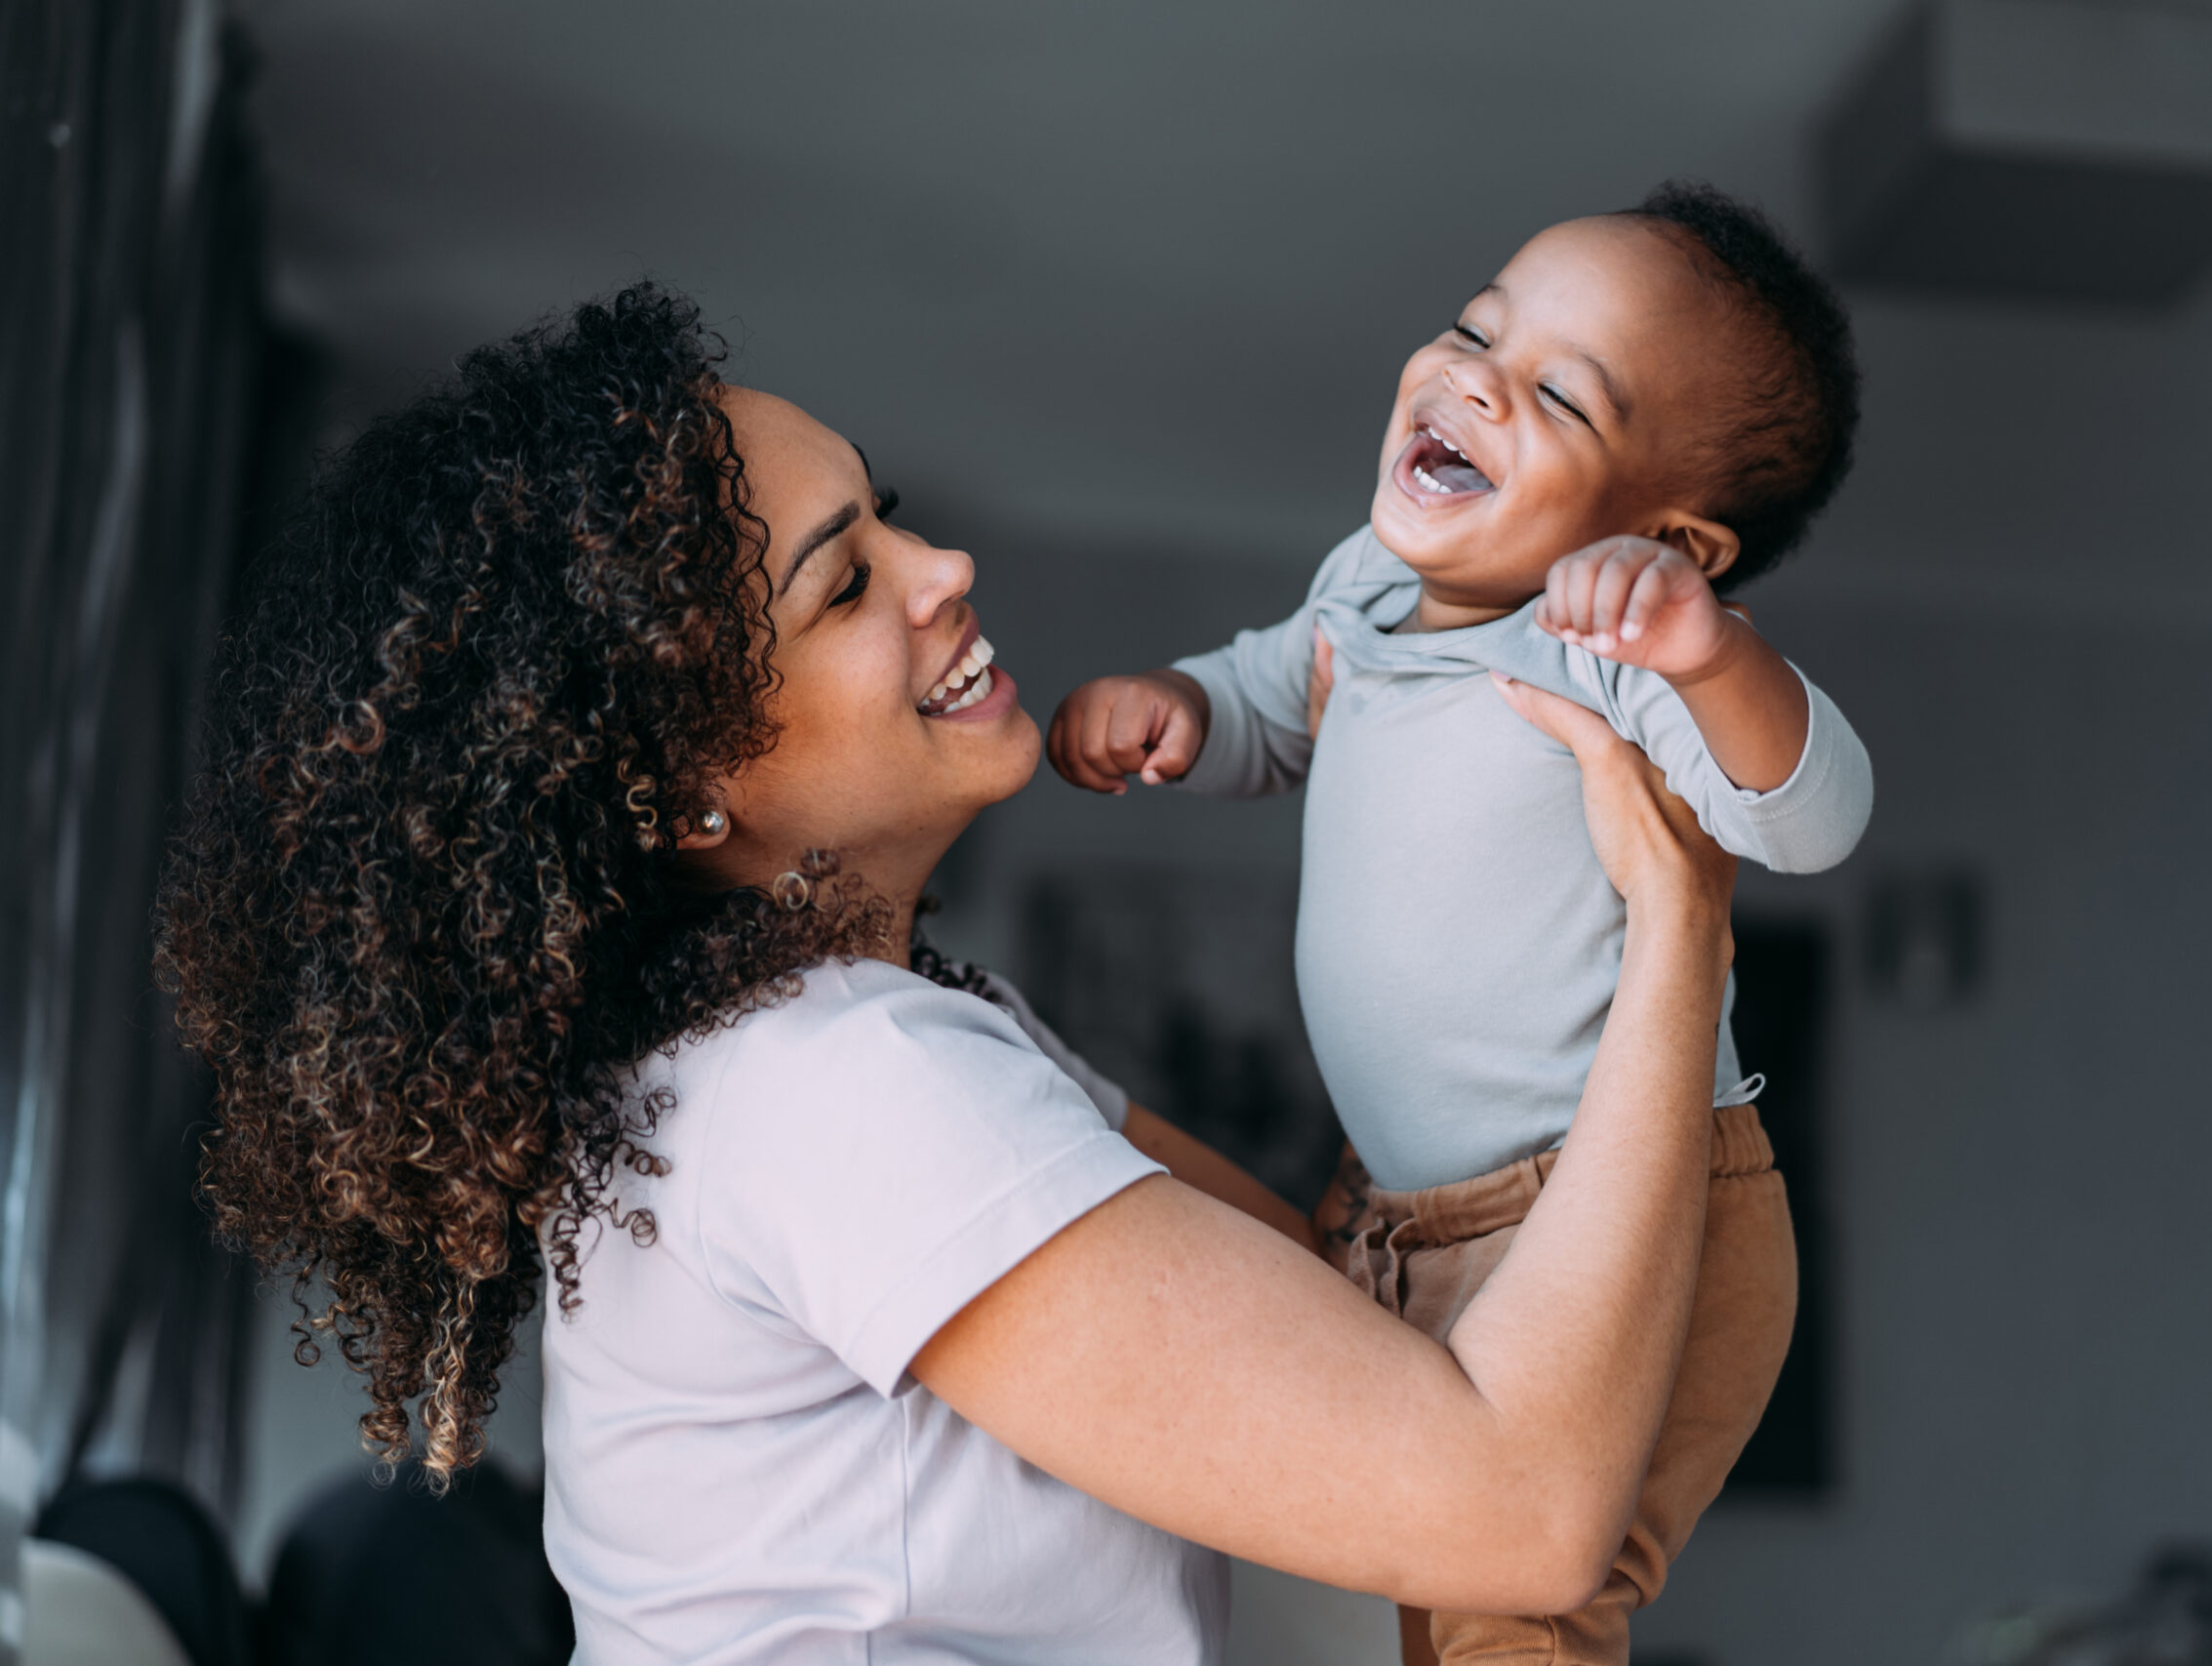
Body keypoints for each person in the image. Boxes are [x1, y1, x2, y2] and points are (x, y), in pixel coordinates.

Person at [155, 284, 1744, 1665]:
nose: (944, 565)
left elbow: (1348, 1311)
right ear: (682, 785)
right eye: (843, 582)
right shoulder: (835, 1087)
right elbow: (1520, 1513)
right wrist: (1675, 923)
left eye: (888, 508)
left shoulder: (849, 1041)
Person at [1046, 181, 1869, 1663]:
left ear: (1672, 538)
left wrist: (1709, 653)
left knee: (1518, 1601)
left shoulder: (1606, 647)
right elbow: (1264, 705)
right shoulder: (1360, 590)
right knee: (1384, 1585)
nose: (1475, 375)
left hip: (1621, 1212)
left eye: (1558, 391)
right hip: (1405, 1212)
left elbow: (1810, 819)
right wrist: (1176, 706)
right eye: (1477, 327)